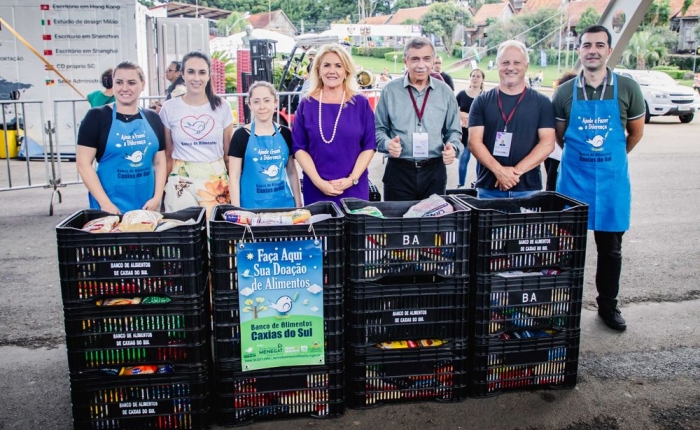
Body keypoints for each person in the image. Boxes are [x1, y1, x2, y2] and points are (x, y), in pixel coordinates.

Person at [552, 25, 645, 331]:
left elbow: (635, 134)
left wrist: (609, 158)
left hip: (611, 182)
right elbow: (562, 137)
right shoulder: (564, 92)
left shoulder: (628, 88)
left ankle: (608, 306)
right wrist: (585, 158)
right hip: (573, 181)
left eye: (599, 45)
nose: (592, 50)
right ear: (579, 50)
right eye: (587, 45)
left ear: (608, 50)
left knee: (611, 250)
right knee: (567, 249)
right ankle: (563, 306)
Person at [375, 37, 462, 201]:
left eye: (426, 59)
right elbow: (378, 129)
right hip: (399, 170)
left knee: (431, 226)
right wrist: (387, 144)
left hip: (434, 172)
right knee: (398, 225)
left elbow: (454, 131)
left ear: (433, 60)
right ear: (405, 61)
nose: (421, 65)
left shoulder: (445, 92)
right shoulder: (390, 91)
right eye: (415, 59)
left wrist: (454, 148)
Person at [468, 40, 555, 198]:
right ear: (497, 65)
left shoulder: (542, 103)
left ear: (526, 66)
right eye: (505, 62)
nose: (511, 67)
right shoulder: (481, 101)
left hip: (528, 190)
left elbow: (547, 143)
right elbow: (474, 142)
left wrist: (513, 174)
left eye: (517, 62)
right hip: (489, 189)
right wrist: (499, 171)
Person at [292, 43, 376, 206]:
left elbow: (369, 146)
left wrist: (351, 179)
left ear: (346, 71)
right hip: (316, 189)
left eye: (338, 65)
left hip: (354, 189)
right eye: (327, 65)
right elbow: (299, 148)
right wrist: (318, 182)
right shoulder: (306, 104)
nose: (332, 71)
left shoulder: (360, 104)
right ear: (318, 70)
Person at [76, 61, 167, 214]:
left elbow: (160, 161)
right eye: (119, 82)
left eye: (131, 82)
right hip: (110, 205)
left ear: (143, 84)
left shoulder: (153, 118)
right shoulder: (96, 117)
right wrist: (105, 203)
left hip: (146, 204)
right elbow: (83, 164)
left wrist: (157, 197)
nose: (125, 88)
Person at [159, 51, 234, 216]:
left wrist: (235, 193)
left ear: (209, 75)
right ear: (182, 74)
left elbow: (228, 155)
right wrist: (161, 192)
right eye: (191, 71)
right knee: (183, 234)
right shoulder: (169, 108)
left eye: (202, 72)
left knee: (213, 236)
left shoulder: (223, 107)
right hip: (180, 182)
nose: (196, 78)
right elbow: (167, 154)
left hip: (215, 183)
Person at [228, 81, 302, 209]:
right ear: (250, 105)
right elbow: (234, 176)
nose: (262, 106)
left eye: (267, 100)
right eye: (256, 101)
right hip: (251, 207)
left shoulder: (285, 133)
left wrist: (299, 203)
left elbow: (292, 172)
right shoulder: (241, 136)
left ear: (275, 102)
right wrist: (236, 209)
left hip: (283, 205)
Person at [544, 71, 577, 191]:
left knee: (553, 186)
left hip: (556, 153)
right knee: (553, 186)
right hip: (556, 153)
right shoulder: (557, 101)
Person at [455, 68, 485, 188]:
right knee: (464, 158)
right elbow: (453, 110)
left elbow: (487, 115)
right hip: (465, 132)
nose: (475, 78)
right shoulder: (462, 94)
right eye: (473, 76)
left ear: (482, 80)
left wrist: (468, 116)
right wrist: (461, 116)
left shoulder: (485, 96)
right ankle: (461, 184)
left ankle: (478, 183)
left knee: (480, 159)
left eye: (478, 76)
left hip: (480, 133)